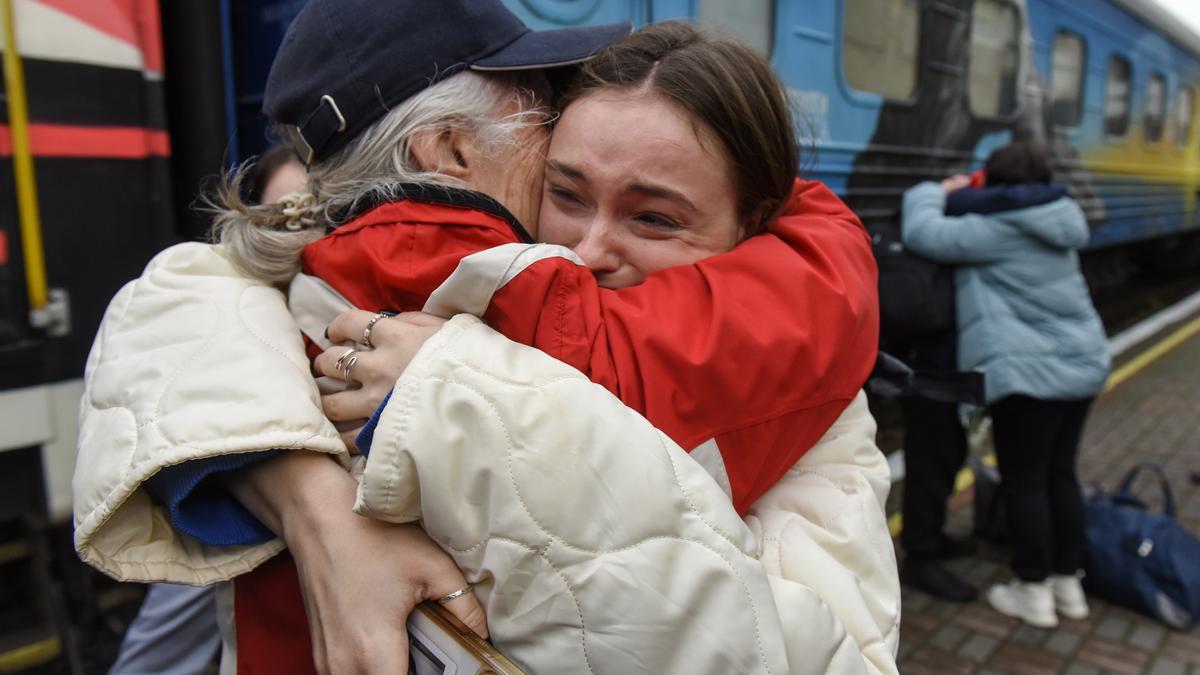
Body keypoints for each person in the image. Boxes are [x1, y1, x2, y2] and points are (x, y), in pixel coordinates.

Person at [75, 3, 893, 672]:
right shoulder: (499, 294)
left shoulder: (293, 280)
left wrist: (309, 484)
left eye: (655, 216)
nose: (586, 249)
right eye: (564, 180)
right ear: (452, 149)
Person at [107, 145, 307, 675]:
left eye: (319, 215)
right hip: (231, 514)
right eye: (283, 216)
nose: (303, 237)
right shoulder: (218, 303)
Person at [901, 141, 1110, 628]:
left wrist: (933, 189)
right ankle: (1068, 584)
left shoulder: (999, 226)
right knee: (1061, 474)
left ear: (991, 181)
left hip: (1032, 374)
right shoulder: (1056, 216)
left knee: (1026, 481)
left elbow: (924, 232)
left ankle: (1032, 589)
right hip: (1083, 362)